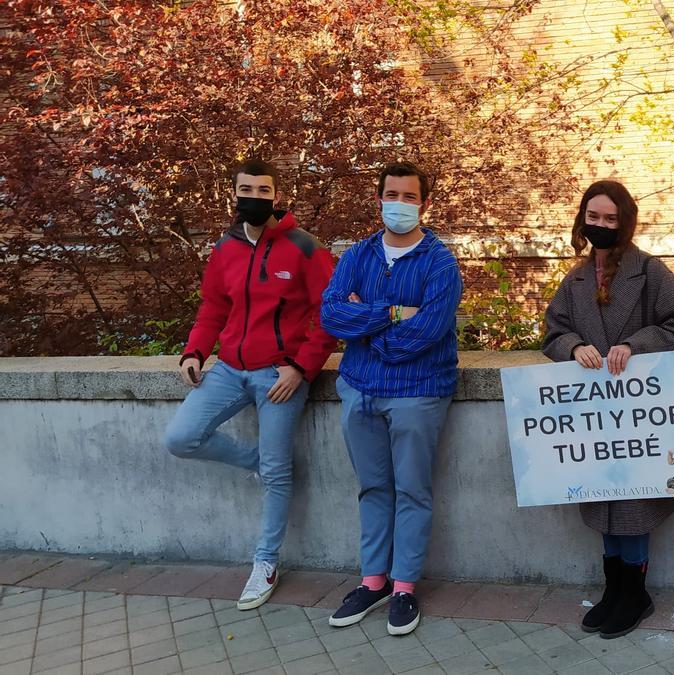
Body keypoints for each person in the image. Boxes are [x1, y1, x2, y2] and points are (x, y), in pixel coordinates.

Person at [163, 159, 337, 610]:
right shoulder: (226, 248)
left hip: (280, 375)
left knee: (279, 474)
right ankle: (254, 460)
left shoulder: (305, 248)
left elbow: (330, 315)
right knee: (181, 437)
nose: (254, 197)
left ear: (276, 196)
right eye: (246, 189)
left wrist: (301, 367)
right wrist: (194, 351)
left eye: (264, 190)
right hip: (228, 369)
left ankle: (265, 563)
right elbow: (212, 308)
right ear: (234, 192)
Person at [542, 179, 674, 639]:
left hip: (639, 410)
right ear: (582, 219)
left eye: (610, 219)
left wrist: (633, 344)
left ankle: (636, 593)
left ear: (625, 222)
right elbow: (552, 333)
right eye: (594, 218)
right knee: (602, 503)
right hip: (596, 418)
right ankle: (614, 590)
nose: (601, 226)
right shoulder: (573, 280)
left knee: (634, 504)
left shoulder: (651, 272)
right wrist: (574, 348)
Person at [320, 161, 462, 636]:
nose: (397, 204)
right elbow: (332, 316)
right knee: (373, 489)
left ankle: (404, 588)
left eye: (408, 196)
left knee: (412, 489)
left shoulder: (440, 263)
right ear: (378, 197)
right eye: (390, 194)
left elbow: (428, 331)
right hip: (360, 392)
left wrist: (369, 332)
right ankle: (373, 580)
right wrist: (393, 312)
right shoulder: (358, 256)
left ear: (424, 203)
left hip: (418, 392)